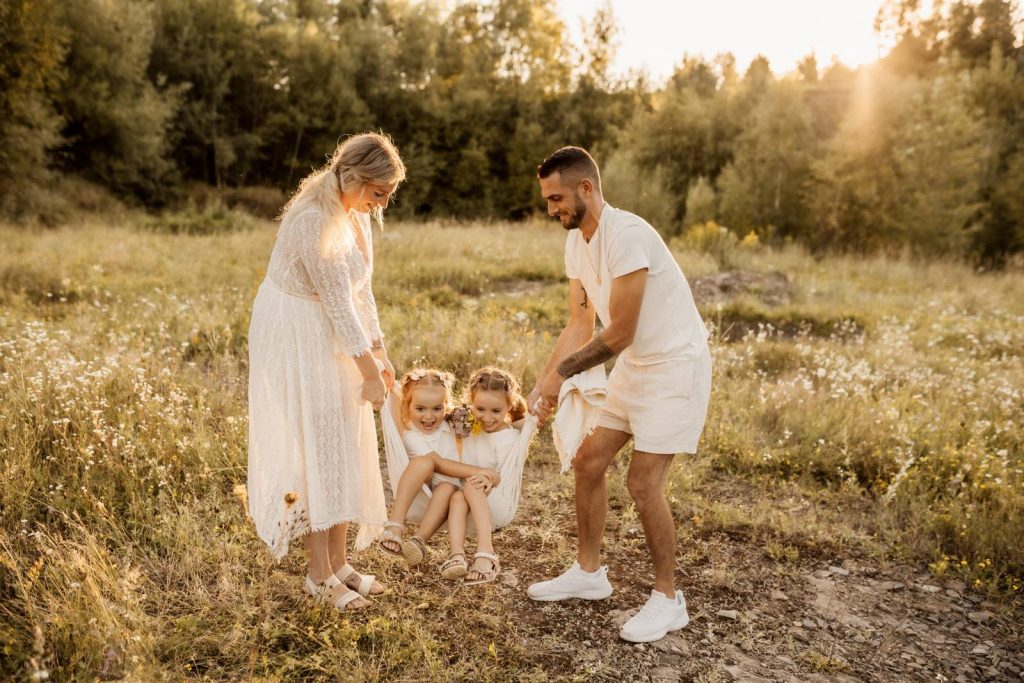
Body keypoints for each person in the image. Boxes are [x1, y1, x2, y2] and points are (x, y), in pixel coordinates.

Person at [525, 146, 712, 643]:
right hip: (635, 367)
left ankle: (668, 600)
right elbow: (579, 322)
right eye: (547, 199)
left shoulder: (628, 235)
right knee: (589, 461)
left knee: (643, 483)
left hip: (675, 367)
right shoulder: (576, 243)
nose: (551, 209)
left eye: (557, 197)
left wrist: (561, 375)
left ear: (587, 188)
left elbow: (621, 330)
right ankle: (588, 574)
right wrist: (544, 384)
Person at [247, 132, 405, 612]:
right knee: (319, 445)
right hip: (295, 332)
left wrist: (380, 352)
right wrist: (369, 373)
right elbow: (338, 303)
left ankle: (338, 563)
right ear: (352, 177)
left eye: (388, 195)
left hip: (328, 327)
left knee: (342, 439)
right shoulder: (314, 219)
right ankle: (318, 576)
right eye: (378, 192)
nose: (382, 203)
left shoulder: (356, 216)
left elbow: (362, 293)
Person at [379, 368, 500, 566]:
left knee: (446, 488)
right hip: (421, 483)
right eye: (420, 409)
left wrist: (528, 421)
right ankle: (395, 525)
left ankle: (418, 540)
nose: (429, 417)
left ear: (446, 406)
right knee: (424, 461)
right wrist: (479, 471)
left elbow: (489, 415)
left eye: (437, 408)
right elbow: (440, 464)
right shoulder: (409, 434)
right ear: (407, 407)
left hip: (447, 484)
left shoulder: (451, 423)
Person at [442, 367, 530, 585]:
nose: (487, 418)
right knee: (457, 497)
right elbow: (439, 416)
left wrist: (489, 480)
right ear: (470, 402)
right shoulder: (468, 424)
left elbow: (505, 474)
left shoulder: (507, 437)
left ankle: (486, 552)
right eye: (480, 408)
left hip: (494, 499)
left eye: (496, 411)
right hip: (469, 495)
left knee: (471, 485)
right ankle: (456, 555)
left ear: (509, 407)